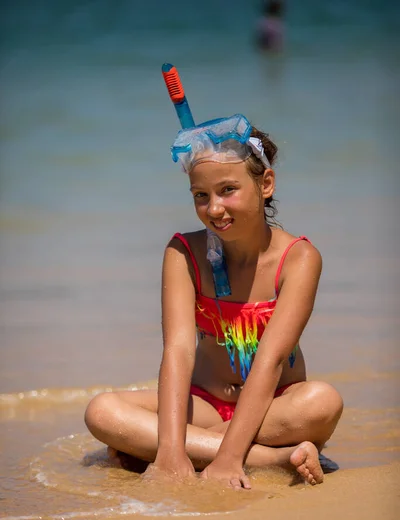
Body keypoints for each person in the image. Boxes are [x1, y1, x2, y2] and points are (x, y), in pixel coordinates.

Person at [84, 113, 343, 490]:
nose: (215, 208)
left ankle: (191, 450)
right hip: (202, 407)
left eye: (228, 190)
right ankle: (274, 458)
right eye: (201, 196)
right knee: (102, 412)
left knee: (323, 402)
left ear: (265, 183)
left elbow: (270, 362)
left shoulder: (300, 259)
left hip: (275, 407)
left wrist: (227, 460)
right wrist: (171, 450)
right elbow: (177, 351)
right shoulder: (184, 252)